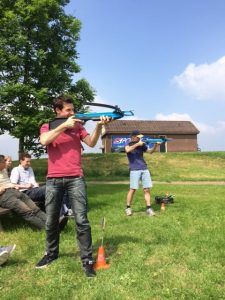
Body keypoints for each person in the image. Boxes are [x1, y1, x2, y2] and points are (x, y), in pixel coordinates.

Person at [36, 95, 111, 277]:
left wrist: (100, 126)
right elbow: (44, 141)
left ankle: (87, 260)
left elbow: (92, 143)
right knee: (51, 220)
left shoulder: (78, 126)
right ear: (58, 111)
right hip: (53, 179)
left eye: (73, 109)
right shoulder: (48, 125)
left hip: (76, 178)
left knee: (82, 221)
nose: (72, 112)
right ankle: (51, 254)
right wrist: (63, 126)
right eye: (68, 110)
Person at [0, 154, 46, 229]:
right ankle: (48, 229)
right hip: (4, 196)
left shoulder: (4, 170)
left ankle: (53, 224)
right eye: (3, 162)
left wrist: (14, 185)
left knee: (36, 209)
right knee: (27, 212)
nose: (6, 163)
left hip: (15, 191)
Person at [125, 130, 160, 217]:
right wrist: (137, 144)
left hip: (144, 168)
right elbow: (127, 150)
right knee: (133, 189)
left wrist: (156, 145)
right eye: (138, 137)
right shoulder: (128, 144)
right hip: (134, 169)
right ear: (133, 137)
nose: (140, 138)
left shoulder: (142, 145)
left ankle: (148, 208)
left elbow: (150, 152)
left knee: (147, 189)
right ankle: (128, 208)